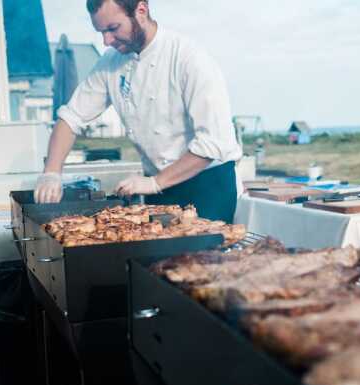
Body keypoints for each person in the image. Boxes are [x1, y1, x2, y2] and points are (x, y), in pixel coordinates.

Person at [34, 0, 242, 223]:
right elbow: (71, 117)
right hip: (160, 187)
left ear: (141, 10)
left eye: (113, 29)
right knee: (160, 258)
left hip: (208, 184)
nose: (106, 41)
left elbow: (212, 144)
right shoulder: (111, 63)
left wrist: (154, 182)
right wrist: (52, 172)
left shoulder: (189, 58)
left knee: (202, 258)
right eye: (101, 32)